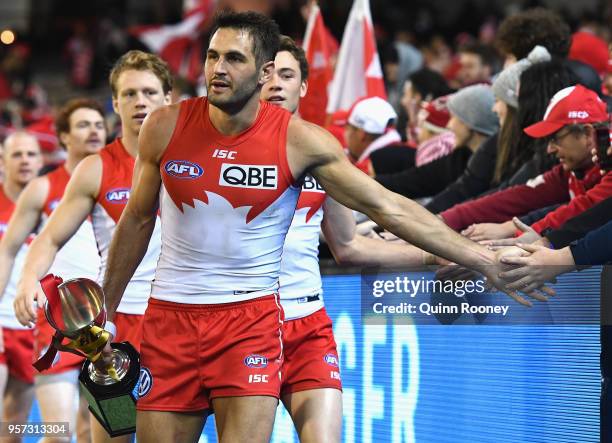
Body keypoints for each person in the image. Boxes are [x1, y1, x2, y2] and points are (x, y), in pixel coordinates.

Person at [98, 11, 545, 443]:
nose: (218, 68)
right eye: (213, 56)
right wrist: (106, 311)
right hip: (169, 319)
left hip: (249, 322)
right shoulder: (166, 126)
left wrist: (481, 259)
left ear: (264, 71)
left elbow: (389, 207)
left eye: (234, 59)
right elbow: (137, 221)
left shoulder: (301, 141)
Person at [12, 50, 171, 443]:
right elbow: (48, 238)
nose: (140, 102)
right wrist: (29, 279)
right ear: (114, 102)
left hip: (179, 322)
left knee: (168, 435)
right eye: (129, 93)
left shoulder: (194, 160)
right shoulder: (96, 168)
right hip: (113, 329)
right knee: (112, 434)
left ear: (169, 98)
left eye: (149, 92)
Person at [0, 99, 104, 443]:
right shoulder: (43, 190)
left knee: (96, 430)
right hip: (41, 322)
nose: (94, 131)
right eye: (83, 125)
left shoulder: (122, 180)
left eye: (99, 124)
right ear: (62, 137)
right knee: (54, 432)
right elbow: (8, 250)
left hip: (105, 321)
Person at [0, 132, 43, 441]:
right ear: (2, 163)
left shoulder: (55, 208)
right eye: (17, 155)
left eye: (31, 154)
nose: (25, 160)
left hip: (30, 327)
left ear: (41, 161)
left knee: (13, 425)